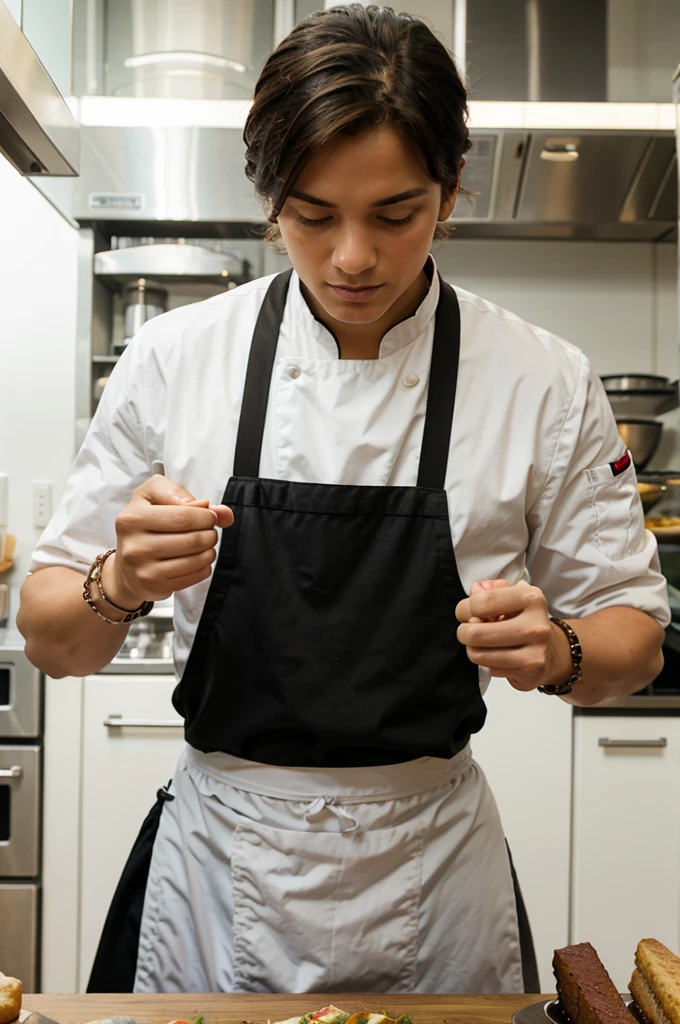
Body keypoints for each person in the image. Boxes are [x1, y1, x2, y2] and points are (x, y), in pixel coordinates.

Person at [19, 3, 668, 997]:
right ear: (268, 198)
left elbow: (635, 638)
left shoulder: (539, 377)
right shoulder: (174, 358)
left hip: (435, 862)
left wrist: (560, 650)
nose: (351, 258)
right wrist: (115, 581)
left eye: (394, 213)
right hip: (218, 868)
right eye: (311, 216)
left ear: (451, 191)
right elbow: (55, 639)